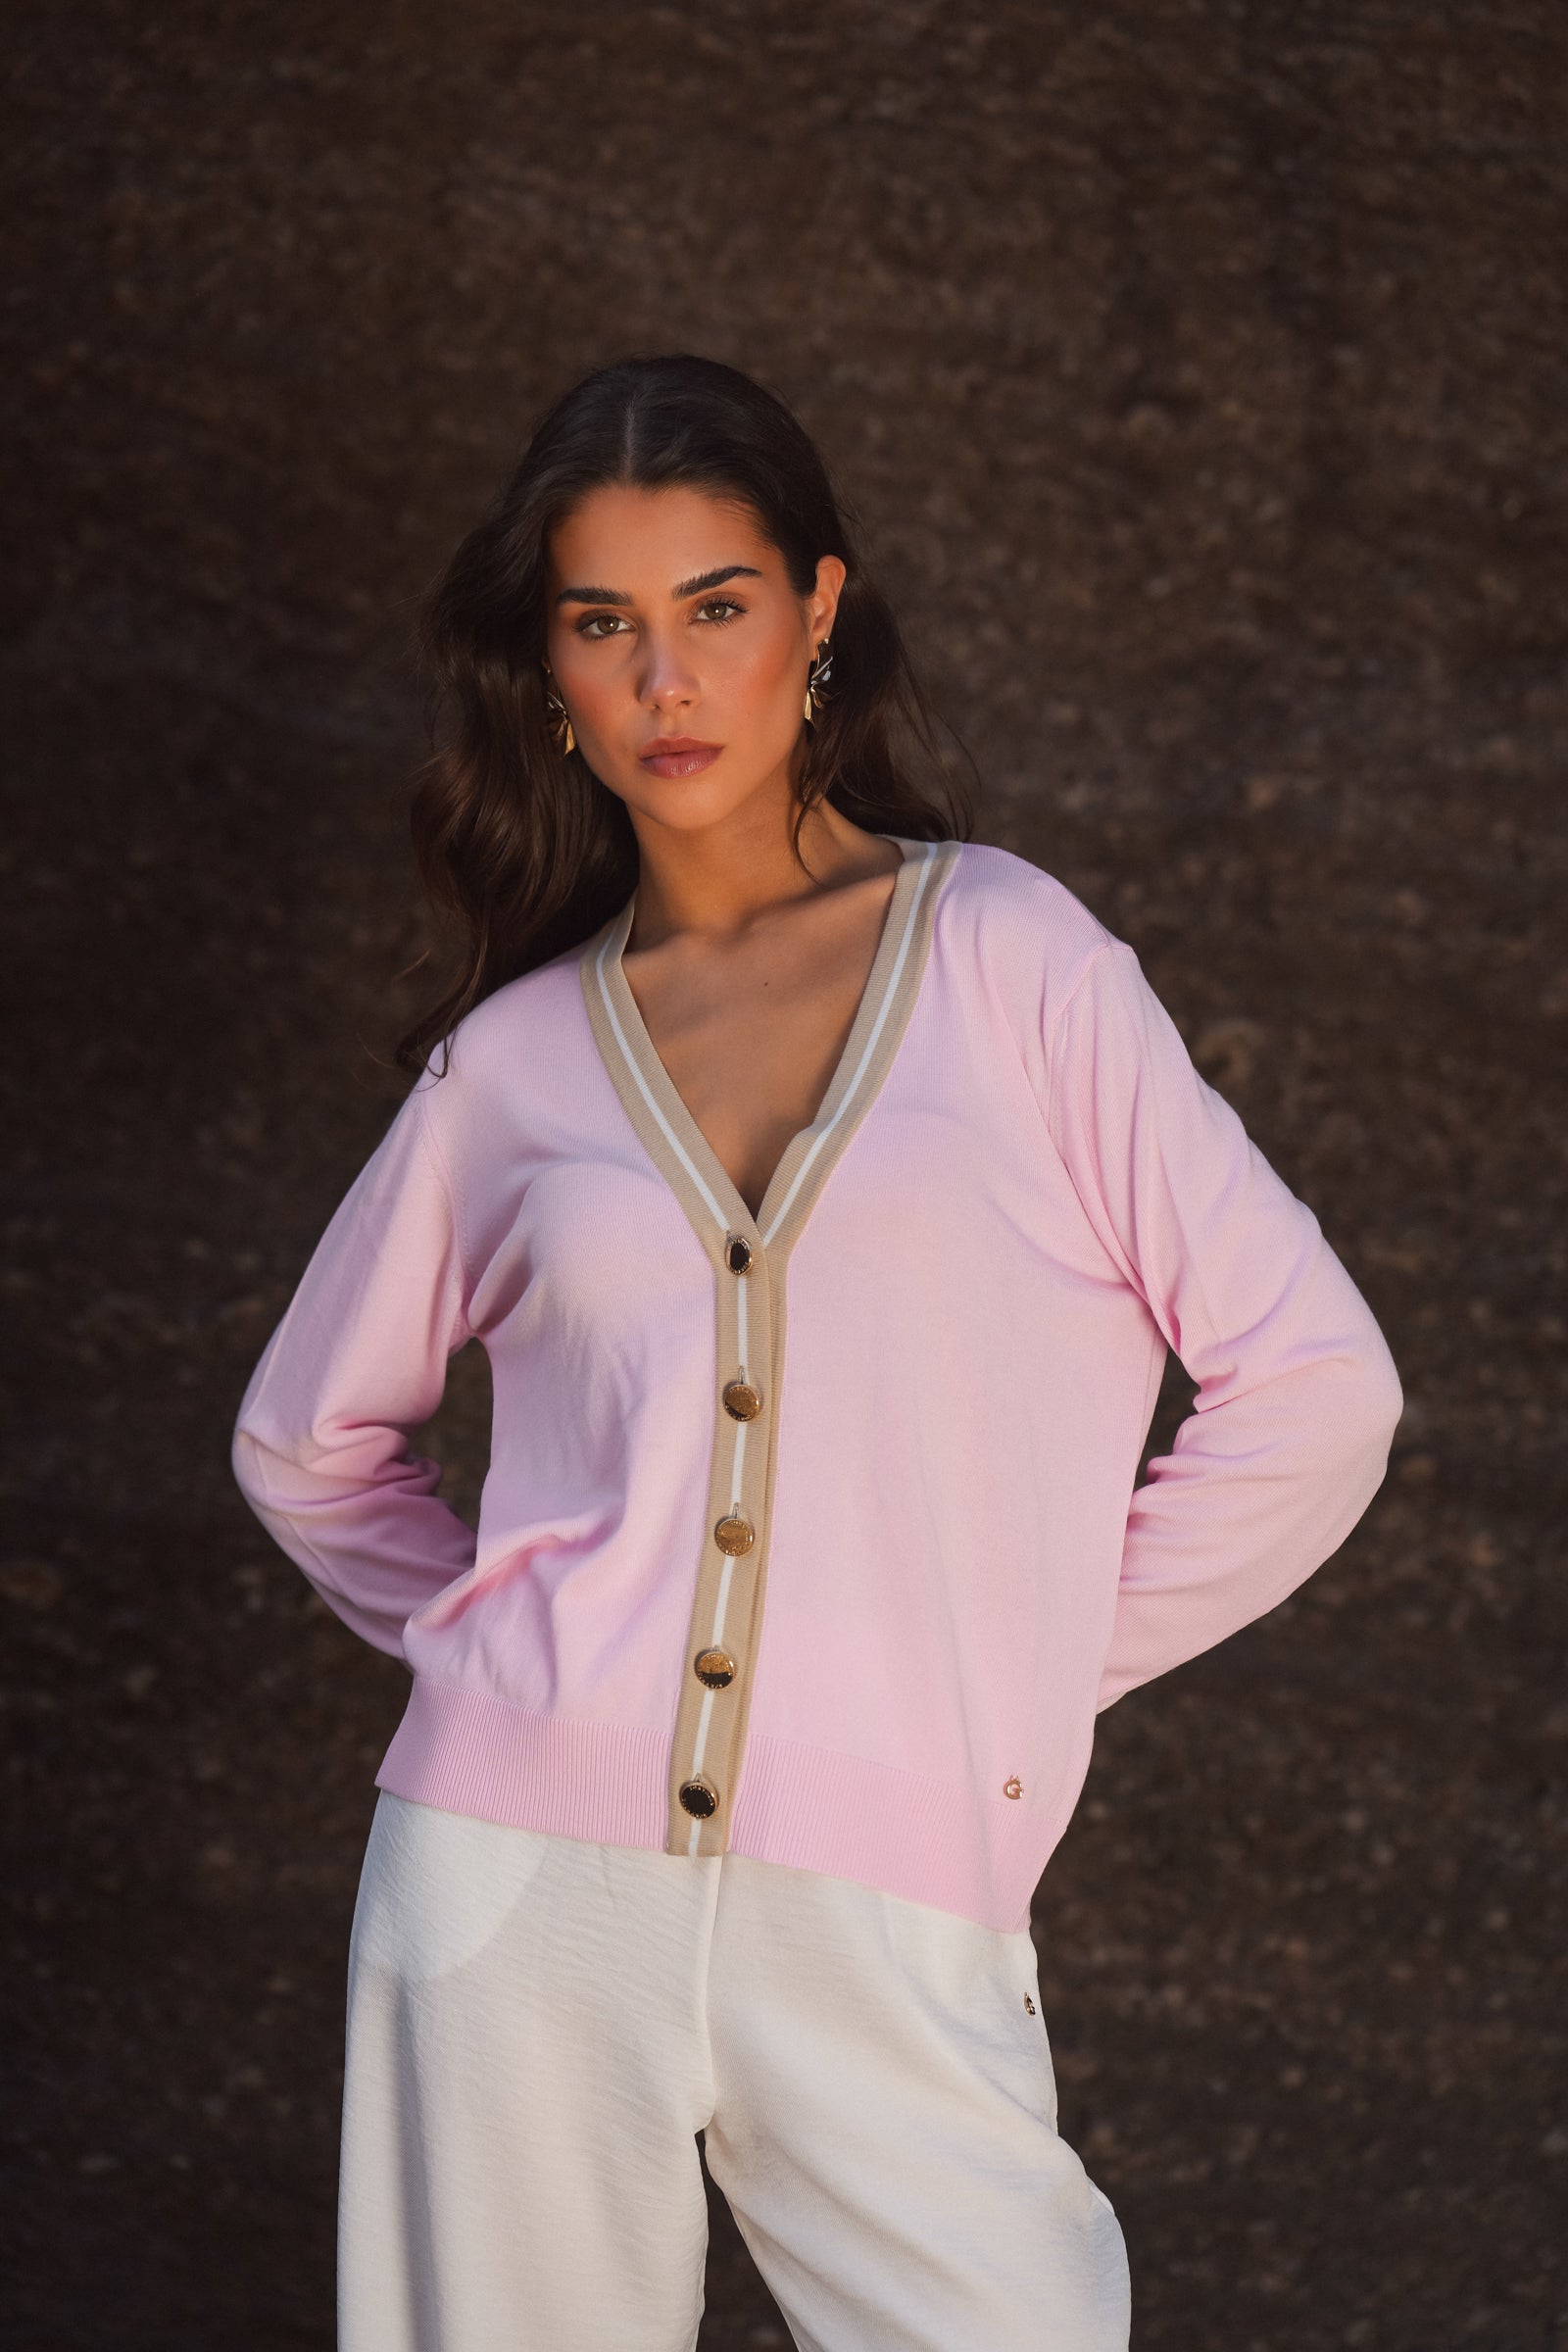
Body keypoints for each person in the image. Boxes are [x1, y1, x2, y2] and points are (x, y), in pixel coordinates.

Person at [231, 353, 1402, 2352]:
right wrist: (520, 1666)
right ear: (551, 676)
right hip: (511, 1893)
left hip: (891, 1897)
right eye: (602, 624)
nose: (665, 679)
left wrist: (991, 1656)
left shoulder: (1010, 960)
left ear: (819, 614)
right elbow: (303, 1443)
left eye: (717, 607)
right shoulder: (510, 1066)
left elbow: (1319, 1389)